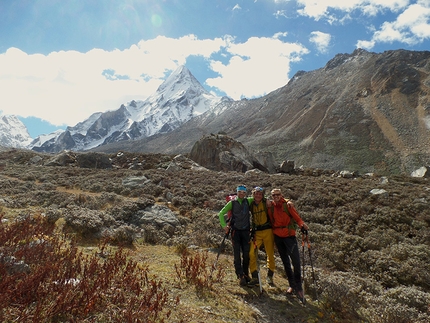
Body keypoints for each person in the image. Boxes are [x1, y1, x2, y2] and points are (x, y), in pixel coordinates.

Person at [267, 188, 309, 302]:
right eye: (273, 195)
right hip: (278, 236)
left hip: (289, 236)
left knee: (296, 261)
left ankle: (299, 287)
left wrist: (302, 225)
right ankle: (292, 285)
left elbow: (297, 218)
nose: (276, 196)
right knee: (285, 262)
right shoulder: (270, 206)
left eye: (278, 194)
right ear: (271, 196)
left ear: (281, 195)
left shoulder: (287, 205)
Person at [218, 184, 253, 286]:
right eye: (239, 192)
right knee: (237, 255)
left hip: (246, 232)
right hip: (235, 232)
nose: (241, 194)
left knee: (246, 254)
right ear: (237, 192)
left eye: (243, 192)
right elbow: (221, 213)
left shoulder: (249, 200)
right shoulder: (232, 203)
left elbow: (260, 198)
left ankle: (245, 274)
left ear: (246, 193)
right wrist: (224, 225)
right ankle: (240, 275)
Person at [248, 186, 276, 286]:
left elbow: (275, 203)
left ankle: (270, 276)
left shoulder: (266, 202)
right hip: (257, 233)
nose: (258, 195)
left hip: (268, 230)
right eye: (256, 194)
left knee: (270, 254)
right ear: (253, 194)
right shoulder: (250, 203)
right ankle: (254, 276)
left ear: (262, 195)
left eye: (260, 194)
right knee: (251, 253)